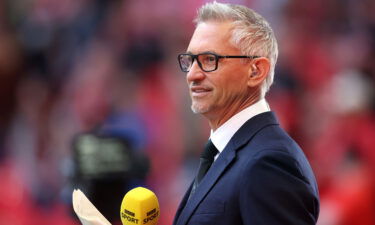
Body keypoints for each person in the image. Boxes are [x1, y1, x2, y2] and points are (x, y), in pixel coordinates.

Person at [173, 2, 319, 225]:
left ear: (256, 71)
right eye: (190, 60)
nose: (192, 75)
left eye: (209, 60)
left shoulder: (270, 162)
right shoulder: (225, 154)